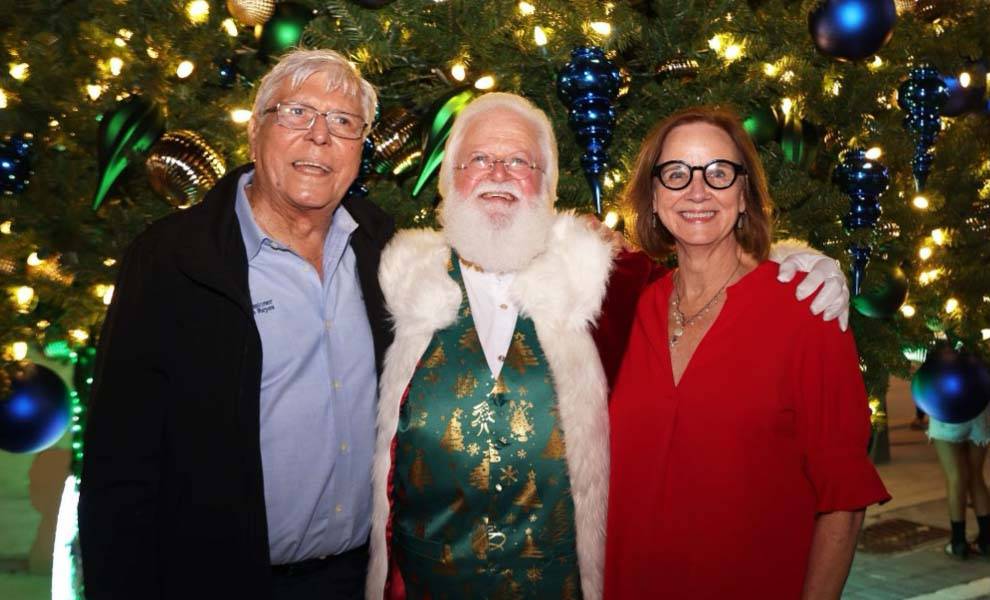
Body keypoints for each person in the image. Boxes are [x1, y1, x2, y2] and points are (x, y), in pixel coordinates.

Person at [366, 93, 853, 600]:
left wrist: (803, 261)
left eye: (519, 161)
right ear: (448, 178)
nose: (499, 174)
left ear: (548, 186)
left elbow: (712, 260)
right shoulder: (388, 282)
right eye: (480, 159)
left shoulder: (606, 282)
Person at [78, 49, 393, 600]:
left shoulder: (384, 248)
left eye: (343, 122)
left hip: (360, 580)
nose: (320, 136)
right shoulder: (173, 259)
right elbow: (120, 464)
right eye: (297, 113)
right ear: (255, 130)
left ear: (361, 147)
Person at [604, 106, 891, 599]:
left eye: (719, 173)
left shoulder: (807, 312)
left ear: (745, 196)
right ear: (653, 198)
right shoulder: (626, 310)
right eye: (676, 174)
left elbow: (843, 499)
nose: (698, 191)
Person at [928, 405, 990, 558]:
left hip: (945, 414)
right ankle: (987, 541)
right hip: (979, 414)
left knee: (955, 477)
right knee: (976, 476)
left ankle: (958, 542)